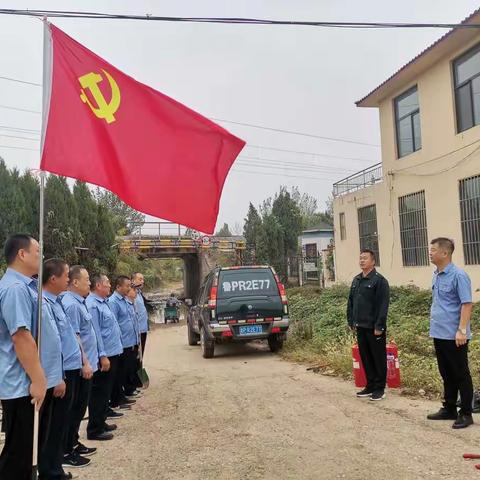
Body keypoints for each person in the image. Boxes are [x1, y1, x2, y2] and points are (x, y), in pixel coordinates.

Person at [0, 235, 48, 480]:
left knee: (24, 452)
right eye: (37, 251)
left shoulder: (21, 286)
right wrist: (38, 380)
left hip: (20, 383)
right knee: (18, 456)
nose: (41, 256)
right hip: (20, 385)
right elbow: (21, 337)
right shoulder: (15, 289)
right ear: (22, 254)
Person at [427, 238, 474, 429]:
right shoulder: (436, 275)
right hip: (439, 332)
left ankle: (466, 413)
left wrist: (462, 330)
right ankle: (449, 407)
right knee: (446, 372)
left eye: (433, 250)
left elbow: (467, 304)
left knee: (460, 373)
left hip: (455, 334)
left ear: (445, 253)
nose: (430, 253)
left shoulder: (458, 275)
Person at [60, 266, 103, 468]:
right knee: (73, 409)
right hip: (77, 366)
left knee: (78, 408)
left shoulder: (80, 302)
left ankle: (73, 443)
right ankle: (66, 450)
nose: (89, 283)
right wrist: (85, 362)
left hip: (85, 363)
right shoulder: (70, 304)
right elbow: (75, 337)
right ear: (75, 283)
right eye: (86, 280)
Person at [39, 259, 78, 480]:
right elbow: (50, 346)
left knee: (59, 424)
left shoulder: (57, 302)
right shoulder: (44, 304)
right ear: (53, 279)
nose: (68, 280)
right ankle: (50, 471)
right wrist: (57, 378)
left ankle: (55, 467)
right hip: (57, 376)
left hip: (66, 370)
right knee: (53, 426)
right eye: (65, 276)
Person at [347, 249, 390, 401]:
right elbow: (351, 302)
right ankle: (370, 385)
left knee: (378, 358)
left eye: (365, 258)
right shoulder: (357, 280)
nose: (362, 261)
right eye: (360, 258)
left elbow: (383, 305)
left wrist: (380, 326)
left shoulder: (379, 281)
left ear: (373, 261)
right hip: (360, 326)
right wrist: (351, 321)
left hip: (374, 328)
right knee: (365, 357)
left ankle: (379, 388)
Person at [86, 274, 124, 439]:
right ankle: (95, 429)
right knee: (99, 392)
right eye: (107, 283)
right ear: (99, 286)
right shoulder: (93, 305)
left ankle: (101, 422)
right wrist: (102, 355)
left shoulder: (104, 302)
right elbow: (96, 333)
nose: (110, 286)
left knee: (105, 391)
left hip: (112, 352)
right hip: (105, 354)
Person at [108, 276, 139, 404]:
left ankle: (123, 395)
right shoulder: (113, 302)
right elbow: (114, 323)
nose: (129, 288)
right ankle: (117, 398)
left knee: (125, 370)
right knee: (118, 373)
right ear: (118, 287)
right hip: (121, 343)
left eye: (130, 285)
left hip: (129, 341)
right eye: (127, 286)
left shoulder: (124, 300)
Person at [131, 272, 149, 360]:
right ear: (133, 281)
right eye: (140, 279)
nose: (142, 281)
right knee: (136, 356)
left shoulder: (139, 293)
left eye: (143, 279)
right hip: (137, 331)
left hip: (143, 329)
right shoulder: (131, 294)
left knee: (141, 356)